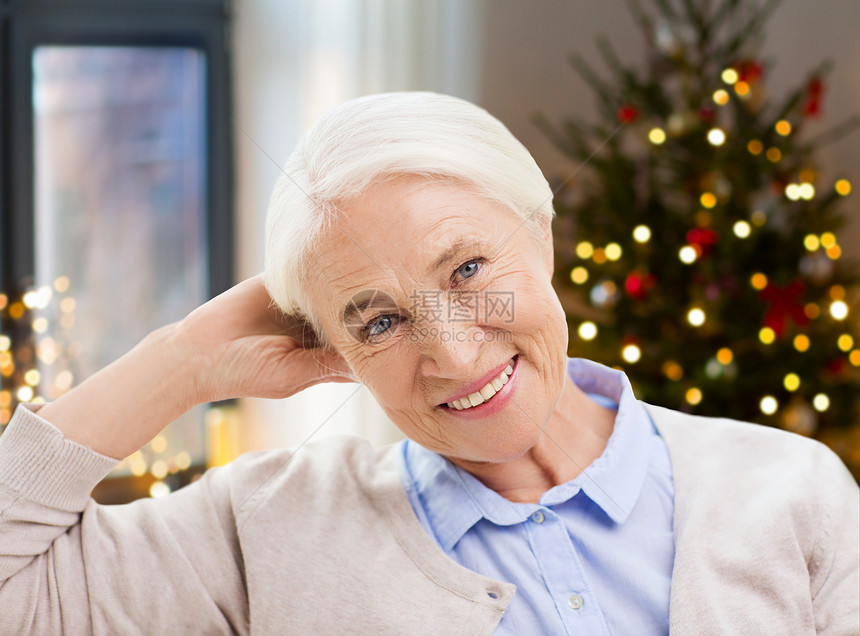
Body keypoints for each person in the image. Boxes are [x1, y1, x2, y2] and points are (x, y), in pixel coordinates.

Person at [0, 92, 857, 635]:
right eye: (377, 320)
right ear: (332, 349)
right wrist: (183, 359)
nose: (451, 352)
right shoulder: (267, 526)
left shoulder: (790, 488)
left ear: (542, 237)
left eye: (469, 270)